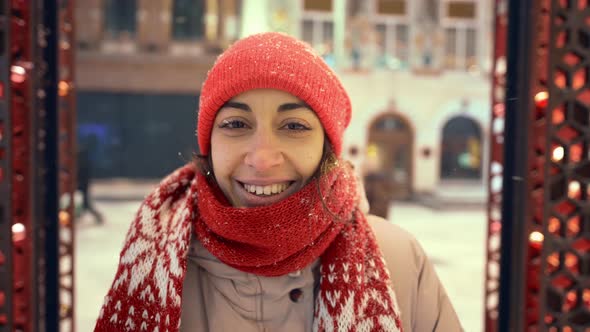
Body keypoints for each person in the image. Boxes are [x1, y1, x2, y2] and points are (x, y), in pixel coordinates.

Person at [94, 32, 462, 332]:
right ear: (209, 143)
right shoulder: (150, 257)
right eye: (237, 124)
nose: (262, 157)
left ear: (326, 147)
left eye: (294, 126)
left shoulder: (397, 259)